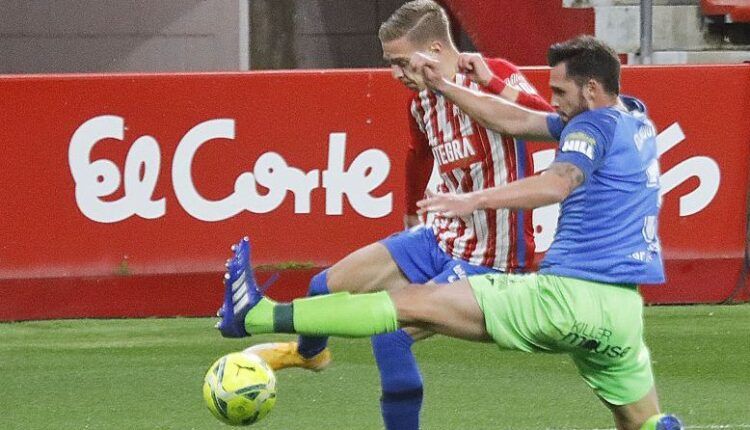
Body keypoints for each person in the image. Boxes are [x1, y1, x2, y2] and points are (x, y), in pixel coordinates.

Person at [217, 35, 684, 430]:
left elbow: (557, 183)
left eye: (560, 91)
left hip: (566, 298)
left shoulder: (590, 126)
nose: (553, 100)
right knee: (643, 423)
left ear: (593, 89)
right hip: (621, 314)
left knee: (407, 305)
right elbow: (515, 119)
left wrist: (473, 200)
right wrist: (443, 84)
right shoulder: (634, 117)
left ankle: (258, 316)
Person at [244, 1, 551, 429]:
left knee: (390, 335)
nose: (395, 74)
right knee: (322, 285)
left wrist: (494, 80)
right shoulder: (422, 104)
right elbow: (417, 155)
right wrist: (411, 216)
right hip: (440, 237)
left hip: (492, 261)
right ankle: (309, 353)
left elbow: (554, 120)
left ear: (438, 50)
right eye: (390, 63)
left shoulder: (491, 74)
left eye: (401, 62)